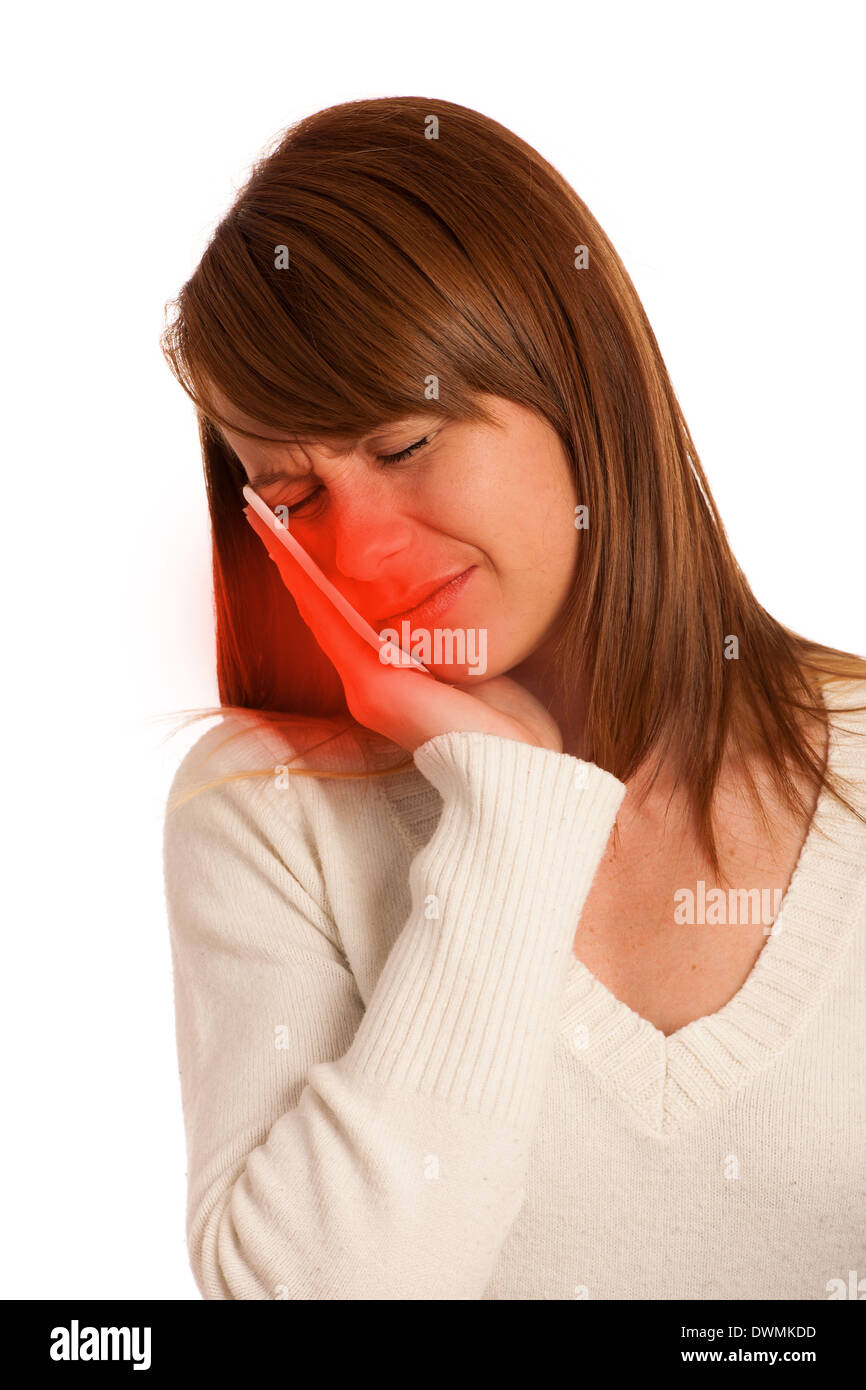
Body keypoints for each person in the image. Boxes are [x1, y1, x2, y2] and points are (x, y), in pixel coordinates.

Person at [160, 95, 866, 1300]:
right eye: (288, 493)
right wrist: (511, 806)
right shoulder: (265, 808)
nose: (362, 550)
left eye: (398, 446)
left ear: (575, 384)